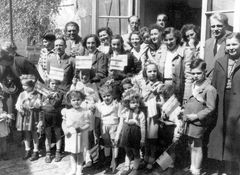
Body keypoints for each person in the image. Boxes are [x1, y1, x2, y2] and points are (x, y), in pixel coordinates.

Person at [208, 32, 240, 174]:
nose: (231, 47)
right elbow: (214, 85)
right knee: (223, 133)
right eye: (229, 45)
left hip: (237, 103)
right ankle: (226, 168)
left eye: (235, 44)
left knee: (235, 134)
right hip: (222, 102)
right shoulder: (219, 61)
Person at [183, 59, 217, 175]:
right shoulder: (192, 85)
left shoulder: (209, 89)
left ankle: (197, 170)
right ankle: (192, 167)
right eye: (193, 73)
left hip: (198, 122)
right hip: (189, 121)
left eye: (198, 73)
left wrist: (197, 116)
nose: (195, 76)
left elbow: (211, 108)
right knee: (191, 144)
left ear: (204, 72)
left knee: (197, 146)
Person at [133, 62, 163, 171]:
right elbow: (139, 98)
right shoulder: (143, 84)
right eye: (149, 71)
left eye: (154, 71)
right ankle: (145, 157)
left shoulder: (160, 84)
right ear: (145, 72)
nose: (152, 73)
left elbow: (162, 101)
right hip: (144, 113)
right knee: (145, 137)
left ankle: (152, 158)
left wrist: (156, 98)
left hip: (153, 114)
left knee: (153, 137)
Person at [115, 89, 146, 175]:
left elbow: (143, 127)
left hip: (135, 135)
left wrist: (142, 139)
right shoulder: (124, 112)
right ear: (127, 103)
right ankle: (127, 167)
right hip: (126, 135)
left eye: (137, 102)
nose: (135, 104)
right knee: (127, 151)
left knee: (136, 152)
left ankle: (135, 169)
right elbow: (120, 125)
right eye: (132, 102)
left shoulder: (140, 114)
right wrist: (117, 136)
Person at [160, 27, 194, 103]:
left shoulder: (185, 52)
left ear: (177, 38)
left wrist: (187, 96)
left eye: (171, 39)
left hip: (178, 89)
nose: (168, 42)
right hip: (163, 88)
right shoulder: (161, 52)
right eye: (166, 40)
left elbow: (188, 76)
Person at [61, 90, 91, 175]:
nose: (76, 102)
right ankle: (73, 169)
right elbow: (63, 123)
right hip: (71, 135)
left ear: (81, 100)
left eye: (78, 99)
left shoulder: (84, 112)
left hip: (80, 135)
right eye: (73, 100)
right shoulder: (68, 111)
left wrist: (81, 129)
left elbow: (88, 124)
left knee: (80, 153)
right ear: (70, 101)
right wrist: (65, 130)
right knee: (72, 153)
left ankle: (79, 170)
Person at [15, 75, 43, 161]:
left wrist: (33, 104)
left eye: (25, 85)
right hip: (24, 115)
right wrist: (20, 108)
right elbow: (17, 104)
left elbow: (39, 104)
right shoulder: (22, 94)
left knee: (34, 133)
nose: (23, 87)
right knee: (26, 133)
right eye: (23, 85)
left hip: (33, 115)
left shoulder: (37, 94)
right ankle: (28, 150)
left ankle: (36, 151)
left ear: (31, 86)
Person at [95, 85, 120, 173]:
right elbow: (98, 118)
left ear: (112, 95)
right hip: (104, 126)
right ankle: (107, 160)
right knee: (106, 143)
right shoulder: (100, 106)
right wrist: (97, 130)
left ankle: (114, 161)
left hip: (114, 126)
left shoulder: (117, 105)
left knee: (114, 143)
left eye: (108, 95)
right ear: (102, 97)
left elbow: (120, 117)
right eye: (104, 96)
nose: (106, 98)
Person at [41, 79, 64, 163]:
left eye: (56, 84)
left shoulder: (60, 94)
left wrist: (49, 98)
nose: (54, 85)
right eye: (52, 84)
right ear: (49, 84)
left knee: (58, 134)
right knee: (48, 135)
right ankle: (48, 153)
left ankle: (58, 152)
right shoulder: (44, 93)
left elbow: (55, 103)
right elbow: (42, 105)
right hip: (47, 116)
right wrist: (45, 101)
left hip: (56, 115)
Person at [204, 12, 231, 79]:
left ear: (226, 26)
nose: (215, 29)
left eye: (219, 26)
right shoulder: (208, 43)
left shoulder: (231, 42)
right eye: (213, 26)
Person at [0, 85, 13, 160]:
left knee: (3, 139)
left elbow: (3, 109)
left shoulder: (2, 100)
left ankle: (4, 153)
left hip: (2, 122)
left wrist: (6, 115)